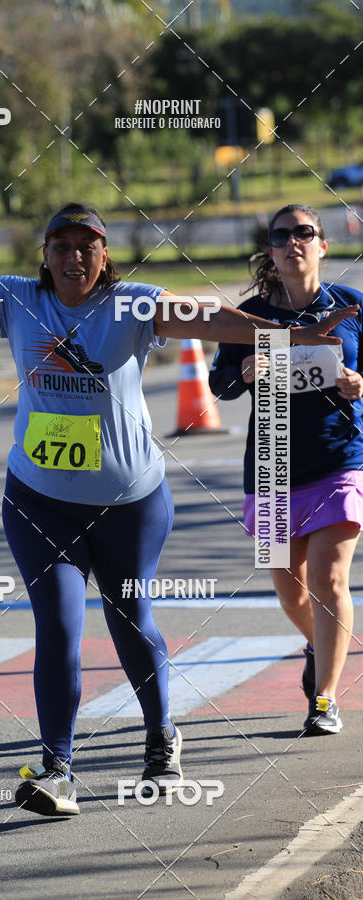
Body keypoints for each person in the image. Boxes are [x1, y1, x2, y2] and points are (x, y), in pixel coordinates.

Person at [0, 202, 357, 817]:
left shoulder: (134, 303)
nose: (74, 257)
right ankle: (57, 768)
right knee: (57, 627)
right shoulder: (14, 300)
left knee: (130, 619)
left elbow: (214, 320)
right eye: (61, 245)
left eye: (87, 246)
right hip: (39, 500)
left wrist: (291, 336)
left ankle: (162, 735)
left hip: (130, 503)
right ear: (45, 255)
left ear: (104, 255)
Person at [209, 203, 363, 737]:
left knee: (328, 578)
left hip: (339, 458)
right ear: (271, 251)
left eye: (304, 233)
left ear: (322, 244)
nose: (293, 242)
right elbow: (219, 386)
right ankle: (321, 644)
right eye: (282, 235)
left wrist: (358, 384)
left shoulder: (352, 308)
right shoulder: (247, 315)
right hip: (272, 461)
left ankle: (324, 699)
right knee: (289, 587)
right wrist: (246, 370)